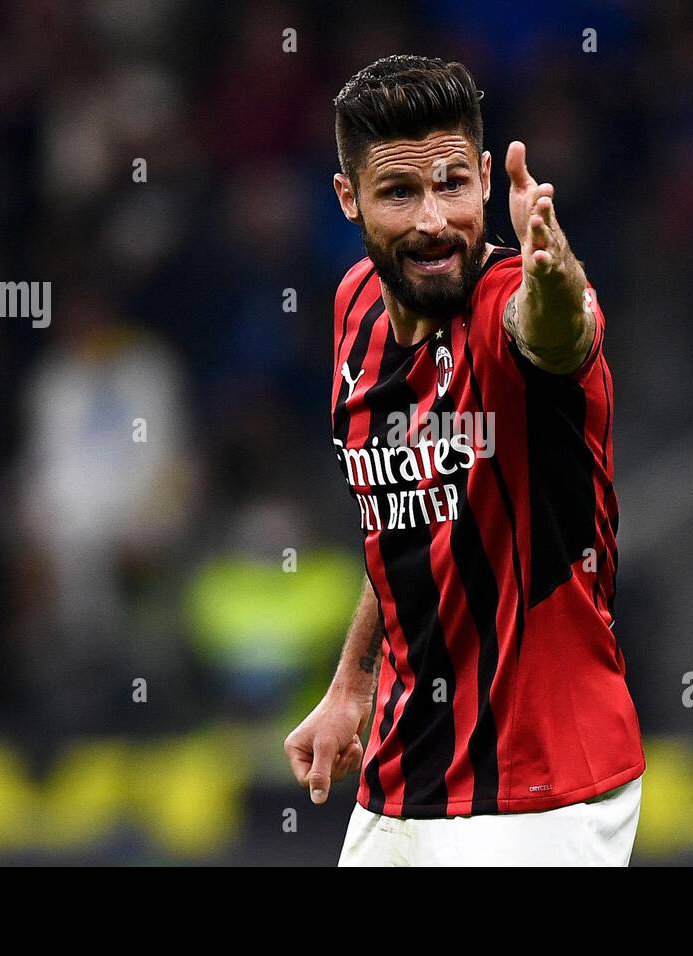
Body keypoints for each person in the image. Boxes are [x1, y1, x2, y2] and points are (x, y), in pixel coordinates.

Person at [284, 54, 645, 866]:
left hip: (544, 788)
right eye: (399, 192)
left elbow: (556, 332)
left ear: (487, 179)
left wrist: (554, 276)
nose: (433, 221)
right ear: (350, 199)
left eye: (452, 184)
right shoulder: (355, 313)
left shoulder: (513, 303)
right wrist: (353, 682)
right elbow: (405, 525)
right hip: (405, 774)